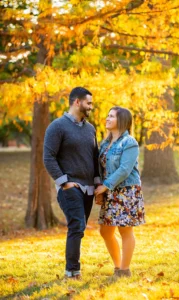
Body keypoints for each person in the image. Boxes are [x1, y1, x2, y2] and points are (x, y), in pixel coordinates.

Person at [43, 87, 100, 279]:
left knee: (79, 227)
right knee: (76, 226)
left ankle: (73, 269)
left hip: (88, 188)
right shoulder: (57, 126)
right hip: (70, 186)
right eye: (88, 103)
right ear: (77, 102)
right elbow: (48, 157)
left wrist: (97, 183)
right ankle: (72, 271)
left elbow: (95, 157)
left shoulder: (90, 128)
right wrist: (64, 183)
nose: (91, 107)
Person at [95, 106, 145, 277]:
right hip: (110, 190)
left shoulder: (129, 142)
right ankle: (118, 266)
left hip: (126, 191)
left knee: (125, 230)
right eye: (107, 115)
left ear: (121, 120)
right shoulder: (104, 144)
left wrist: (105, 185)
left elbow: (124, 169)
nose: (107, 118)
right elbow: (101, 169)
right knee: (105, 231)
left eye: (112, 116)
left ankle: (124, 270)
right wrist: (102, 190)